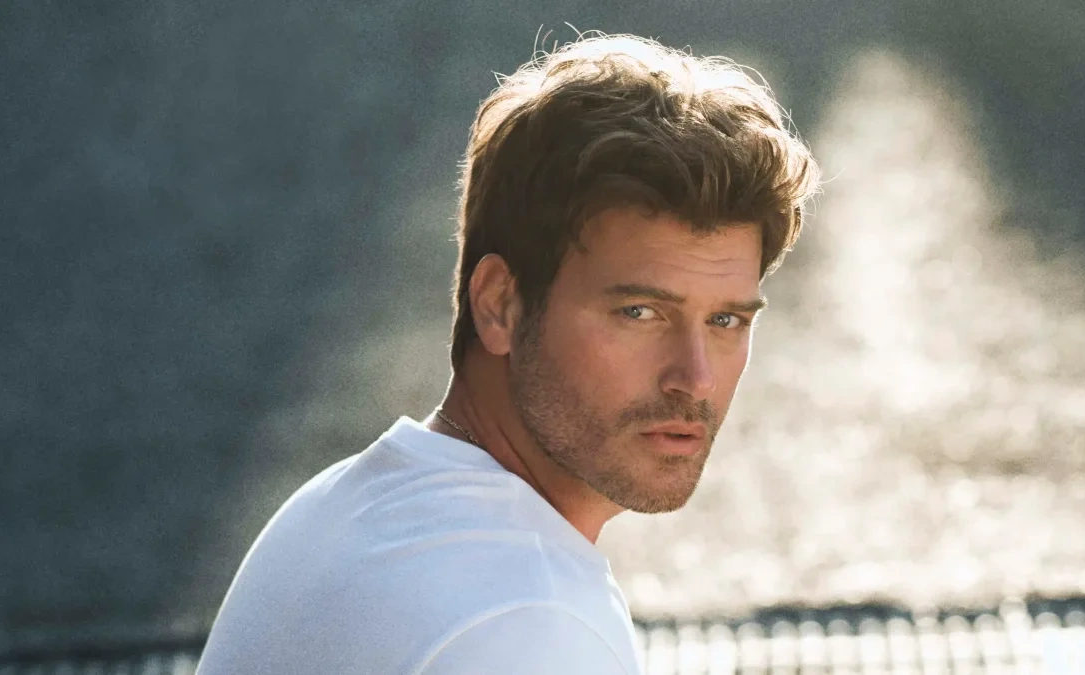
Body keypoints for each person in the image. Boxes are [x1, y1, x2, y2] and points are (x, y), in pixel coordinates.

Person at [196, 32, 819, 674]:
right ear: (500, 304)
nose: (695, 377)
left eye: (725, 320)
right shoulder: (530, 624)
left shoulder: (344, 508)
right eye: (639, 312)